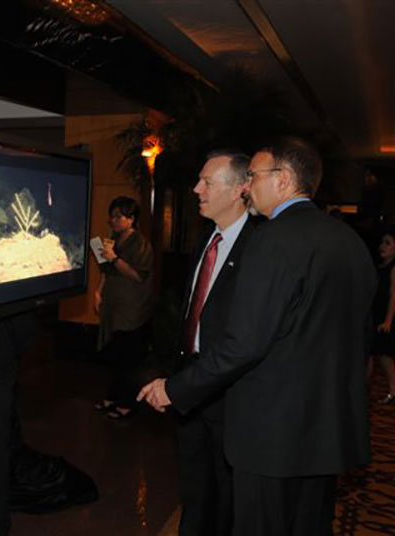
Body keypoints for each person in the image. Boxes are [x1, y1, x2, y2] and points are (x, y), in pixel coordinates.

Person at [138, 137, 377, 535]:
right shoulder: (349, 242)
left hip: (271, 434)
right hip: (326, 428)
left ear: (283, 180)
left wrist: (175, 388)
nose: (249, 185)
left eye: (254, 176)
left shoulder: (270, 239)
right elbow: (355, 337)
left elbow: (245, 343)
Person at [175, 149, 258, 536]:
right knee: (193, 489)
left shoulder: (261, 248)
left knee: (228, 497)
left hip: (231, 391)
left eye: (207, 182)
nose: (196, 189)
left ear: (241, 188)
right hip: (190, 384)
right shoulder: (205, 238)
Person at [93, 196, 153, 419]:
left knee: (128, 358)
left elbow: (138, 275)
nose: (114, 221)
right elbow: (107, 271)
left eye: (119, 216)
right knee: (116, 354)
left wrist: (115, 258)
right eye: (112, 216)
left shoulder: (141, 244)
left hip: (132, 309)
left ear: (131, 219)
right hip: (114, 306)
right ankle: (112, 395)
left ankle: (127, 403)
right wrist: (99, 292)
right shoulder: (114, 239)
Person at [369, 229, 395, 404]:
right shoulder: (380, 266)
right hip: (375, 314)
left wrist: (388, 320)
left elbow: (394, 295)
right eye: (382, 242)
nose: (382, 246)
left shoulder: (394, 268)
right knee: (371, 353)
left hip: (386, 317)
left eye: (388, 243)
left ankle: (393, 390)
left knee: (384, 356)